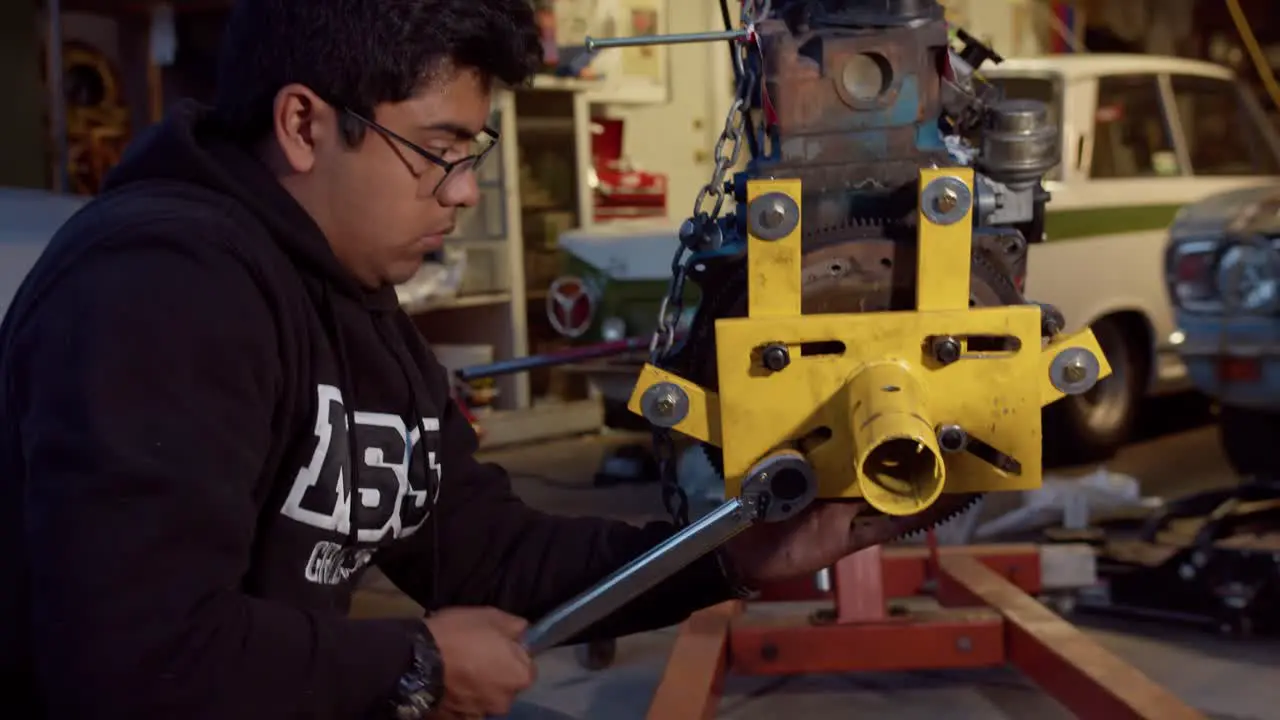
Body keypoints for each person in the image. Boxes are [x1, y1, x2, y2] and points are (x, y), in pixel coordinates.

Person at [0, 1, 881, 718]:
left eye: (472, 153)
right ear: (303, 123)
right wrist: (414, 663)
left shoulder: (351, 292)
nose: (462, 189)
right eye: (438, 149)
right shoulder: (161, 288)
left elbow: (480, 549)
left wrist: (730, 557)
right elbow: (132, 659)